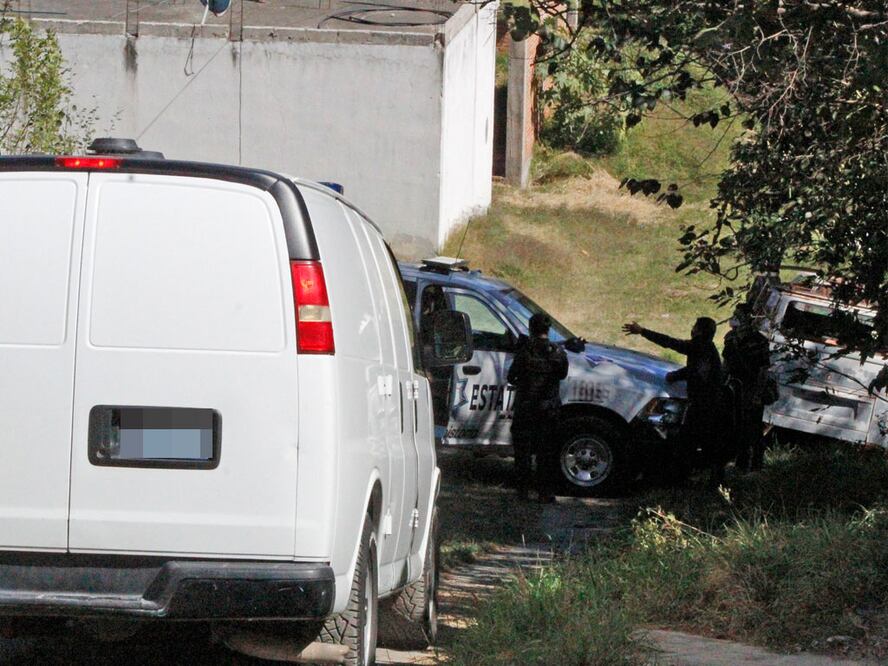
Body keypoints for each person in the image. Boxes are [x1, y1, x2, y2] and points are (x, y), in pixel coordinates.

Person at [622, 317, 725, 486]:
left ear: (699, 330)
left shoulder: (698, 345)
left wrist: (642, 331)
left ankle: (684, 480)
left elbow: (670, 343)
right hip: (709, 404)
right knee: (704, 443)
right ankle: (704, 479)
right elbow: (695, 369)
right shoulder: (708, 348)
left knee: (691, 442)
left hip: (703, 405)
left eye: (694, 326)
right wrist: (676, 375)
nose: (692, 329)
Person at [507, 313, 569, 502]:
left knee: (523, 452)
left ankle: (523, 492)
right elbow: (562, 375)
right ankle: (545, 493)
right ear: (547, 330)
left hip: (526, 408)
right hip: (548, 409)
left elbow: (511, 376)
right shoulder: (557, 353)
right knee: (546, 453)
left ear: (531, 328)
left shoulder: (525, 351)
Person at [722, 303, 771, 472]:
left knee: (753, 428)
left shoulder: (759, 341)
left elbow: (763, 369)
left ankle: (756, 464)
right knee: (735, 425)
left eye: (738, 315)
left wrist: (757, 394)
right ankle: (739, 462)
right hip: (734, 385)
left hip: (751, 387)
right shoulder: (730, 337)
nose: (734, 318)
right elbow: (726, 363)